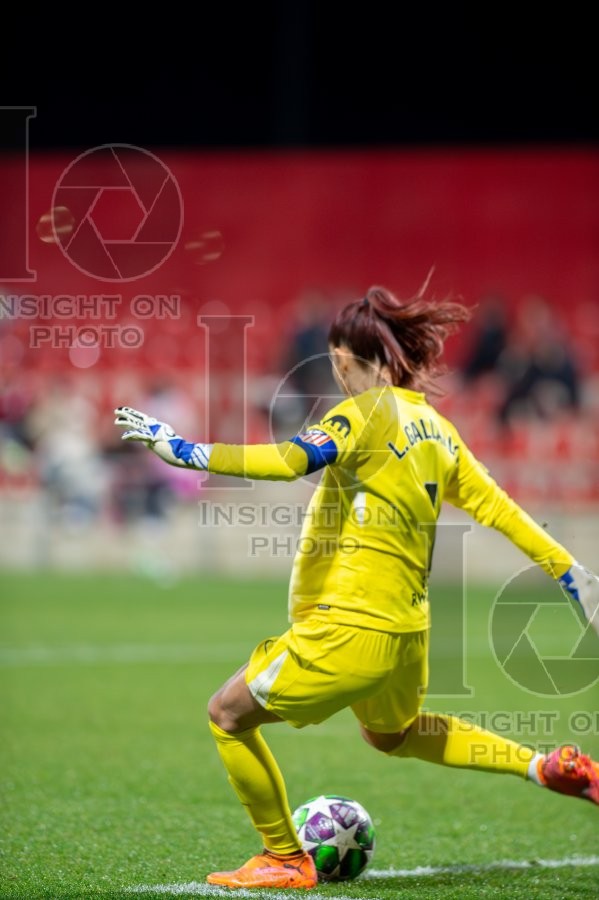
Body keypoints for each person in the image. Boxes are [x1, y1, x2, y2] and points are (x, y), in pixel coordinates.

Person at [114, 286, 599, 891]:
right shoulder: (438, 429)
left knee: (226, 714)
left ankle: (284, 858)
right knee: (392, 733)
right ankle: (542, 767)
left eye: (335, 357)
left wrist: (182, 450)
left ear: (345, 356)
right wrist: (569, 572)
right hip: (412, 632)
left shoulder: (363, 413)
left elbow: (289, 461)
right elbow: (501, 511)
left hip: (352, 625)